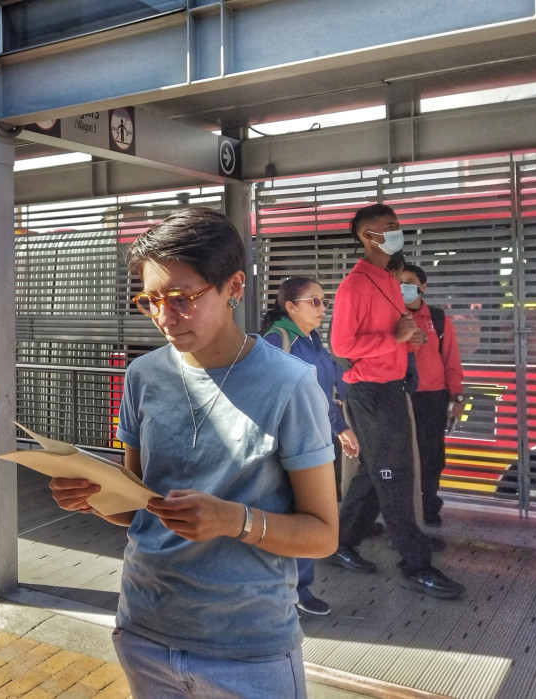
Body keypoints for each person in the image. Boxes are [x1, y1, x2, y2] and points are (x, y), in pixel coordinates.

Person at [49, 208, 338, 698]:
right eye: (150, 300)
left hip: (249, 648)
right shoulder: (144, 375)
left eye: (182, 298)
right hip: (144, 629)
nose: (164, 317)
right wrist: (93, 494)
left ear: (234, 286)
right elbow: (140, 507)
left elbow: (323, 534)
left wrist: (235, 521)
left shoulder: (290, 385)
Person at [325, 203, 464, 600]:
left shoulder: (387, 279)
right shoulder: (355, 285)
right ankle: (415, 564)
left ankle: (341, 542)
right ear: (368, 236)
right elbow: (341, 345)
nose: (396, 231)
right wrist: (396, 340)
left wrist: (407, 340)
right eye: (388, 226)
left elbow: (393, 332)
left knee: (377, 469)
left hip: (391, 387)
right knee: (395, 475)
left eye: (397, 225)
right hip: (371, 391)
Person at [261, 276, 359, 617]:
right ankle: (290, 591)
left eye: (323, 301)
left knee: (307, 513)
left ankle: (295, 588)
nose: (323, 308)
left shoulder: (312, 339)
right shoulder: (278, 340)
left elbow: (326, 386)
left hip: (312, 438)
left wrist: (341, 426)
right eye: (314, 302)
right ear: (290, 307)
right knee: (297, 515)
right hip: (288, 442)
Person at [399, 263, 464, 528]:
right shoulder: (391, 316)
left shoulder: (437, 319)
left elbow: (452, 361)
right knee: (401, 456)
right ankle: (402, 512)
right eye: (400, 281)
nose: (404, 286)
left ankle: (428, 507)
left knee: (432, 455)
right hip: (400, 396)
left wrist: (457, 397)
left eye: (410, 281)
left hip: (433, 398)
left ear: (422, 287)